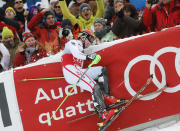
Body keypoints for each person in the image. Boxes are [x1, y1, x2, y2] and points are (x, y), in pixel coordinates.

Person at [62, 30, 122, 124]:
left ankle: (105, 97)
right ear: (83, 37)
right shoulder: (73, 42)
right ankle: (103, 114)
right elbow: (76, 54)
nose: (90, 43)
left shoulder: (81, 48)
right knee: (94, 86)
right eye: (90, 39)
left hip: (77, 71)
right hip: (70, 70)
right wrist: (90, 57)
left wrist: (89, 56)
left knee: (102, 70)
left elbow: (80, 56)